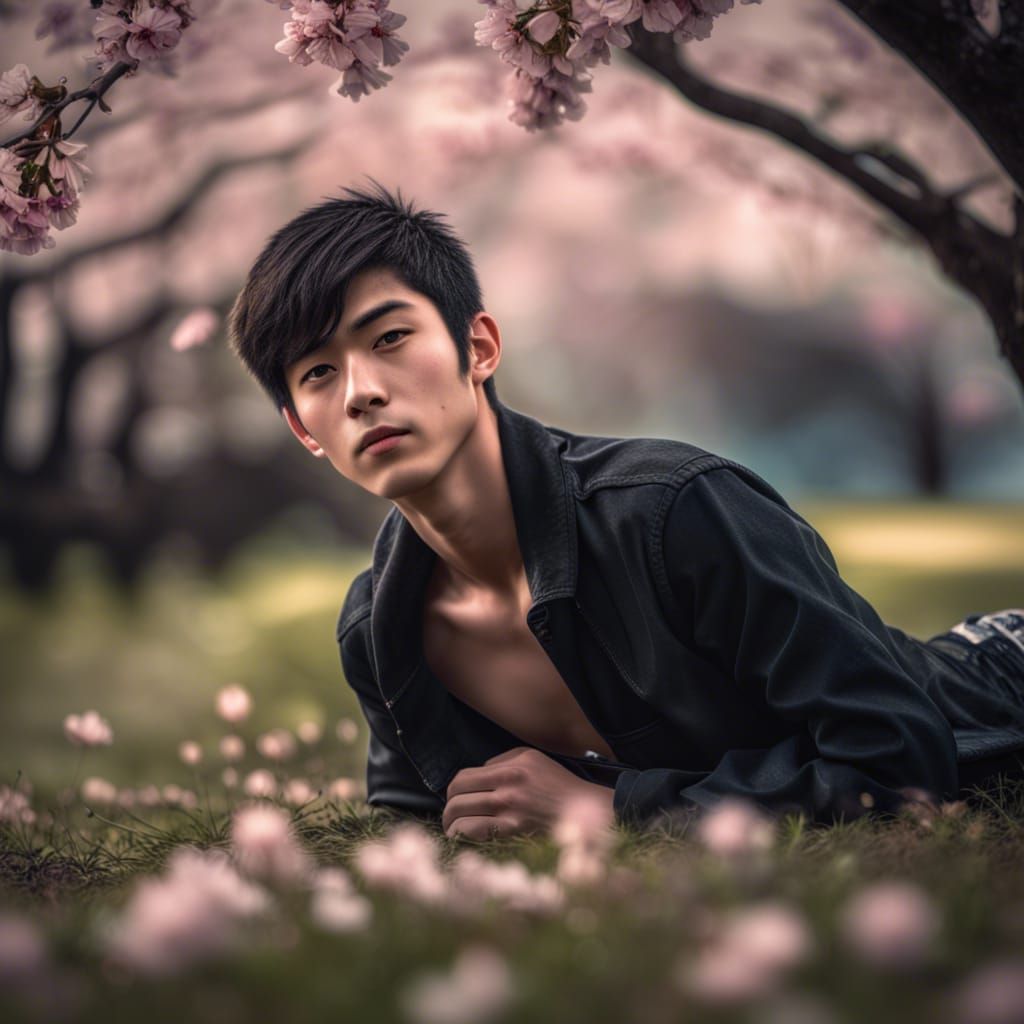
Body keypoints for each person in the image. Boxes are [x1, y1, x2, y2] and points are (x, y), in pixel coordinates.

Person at [227, 182, 1024, 838]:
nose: (363, 390)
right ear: (305, 431)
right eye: (320, 374)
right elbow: (419, 821)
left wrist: (614, 810)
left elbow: (899, 756)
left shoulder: (674, 510)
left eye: (391, 337)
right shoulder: (380, 630)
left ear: (479, 347)